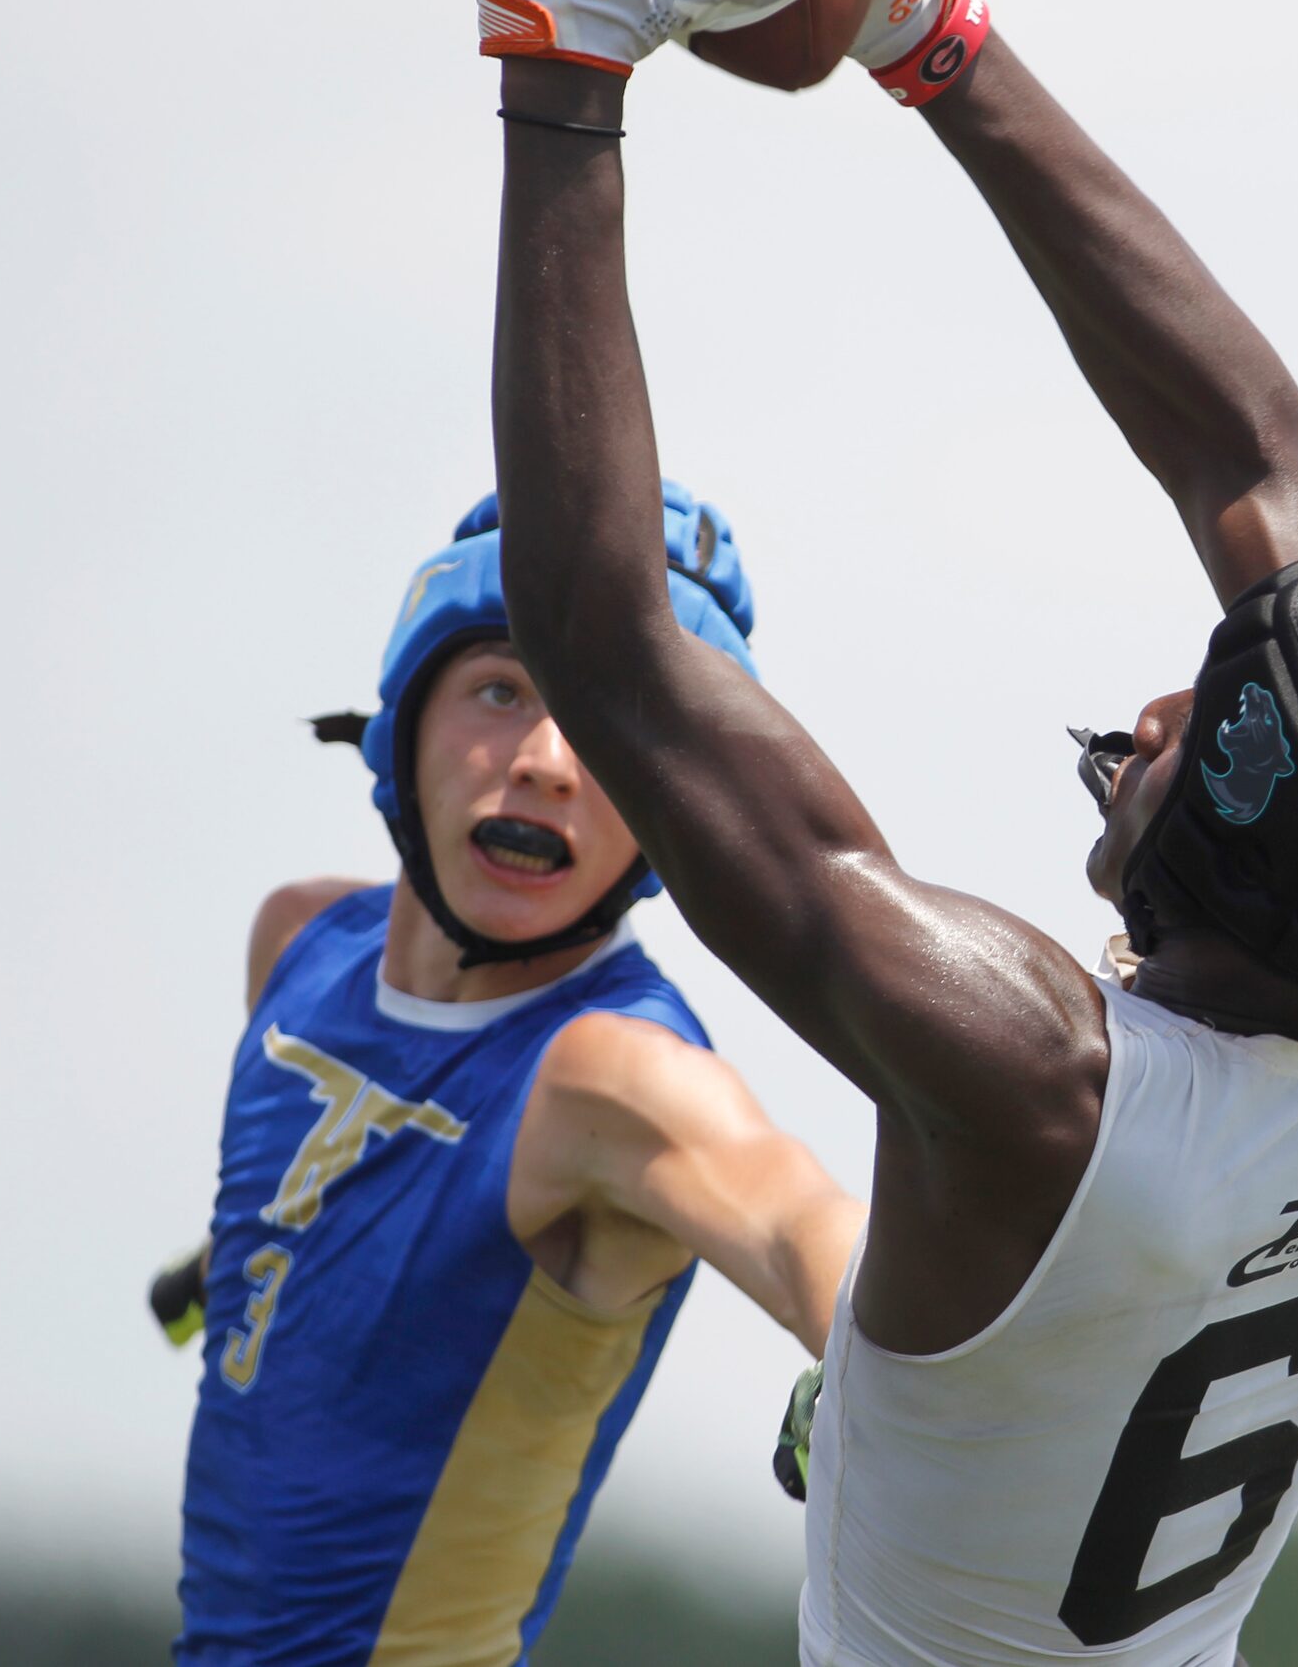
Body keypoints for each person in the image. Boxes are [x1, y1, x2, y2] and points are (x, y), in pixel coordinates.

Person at [434, 0, 1298, 1661]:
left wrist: (562, 64)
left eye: (1202, 725)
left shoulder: (1035, 1085)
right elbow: (1254, 463)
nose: (1161, 697)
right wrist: (943, 45)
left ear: (1248, 847)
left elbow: (604, 644)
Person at [169, 484, 864, 1663]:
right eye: (503, 690)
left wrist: (880, 1359)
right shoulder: (297, 945)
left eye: (607, 726)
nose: (546, 762)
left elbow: (807, 1224)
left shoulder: (616, 1077)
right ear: (404, 722)